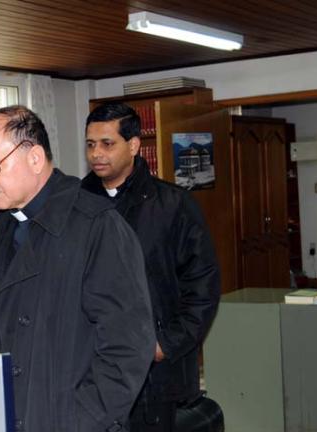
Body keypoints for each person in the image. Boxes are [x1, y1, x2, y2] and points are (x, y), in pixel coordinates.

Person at [0, 105, 155, 432]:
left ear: (35, 158)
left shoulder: (96, 225)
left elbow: (127, 348)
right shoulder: (2, 228)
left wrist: (78, 421)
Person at [81, 102, 221, 432]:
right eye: (90, 144)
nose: (97, 153)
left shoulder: (173, 205)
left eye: (107, 143)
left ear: (133, 145)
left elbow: (202, 287)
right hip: (92, 366)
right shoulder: (76, 205)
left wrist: (165, 345)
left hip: (154, 372)